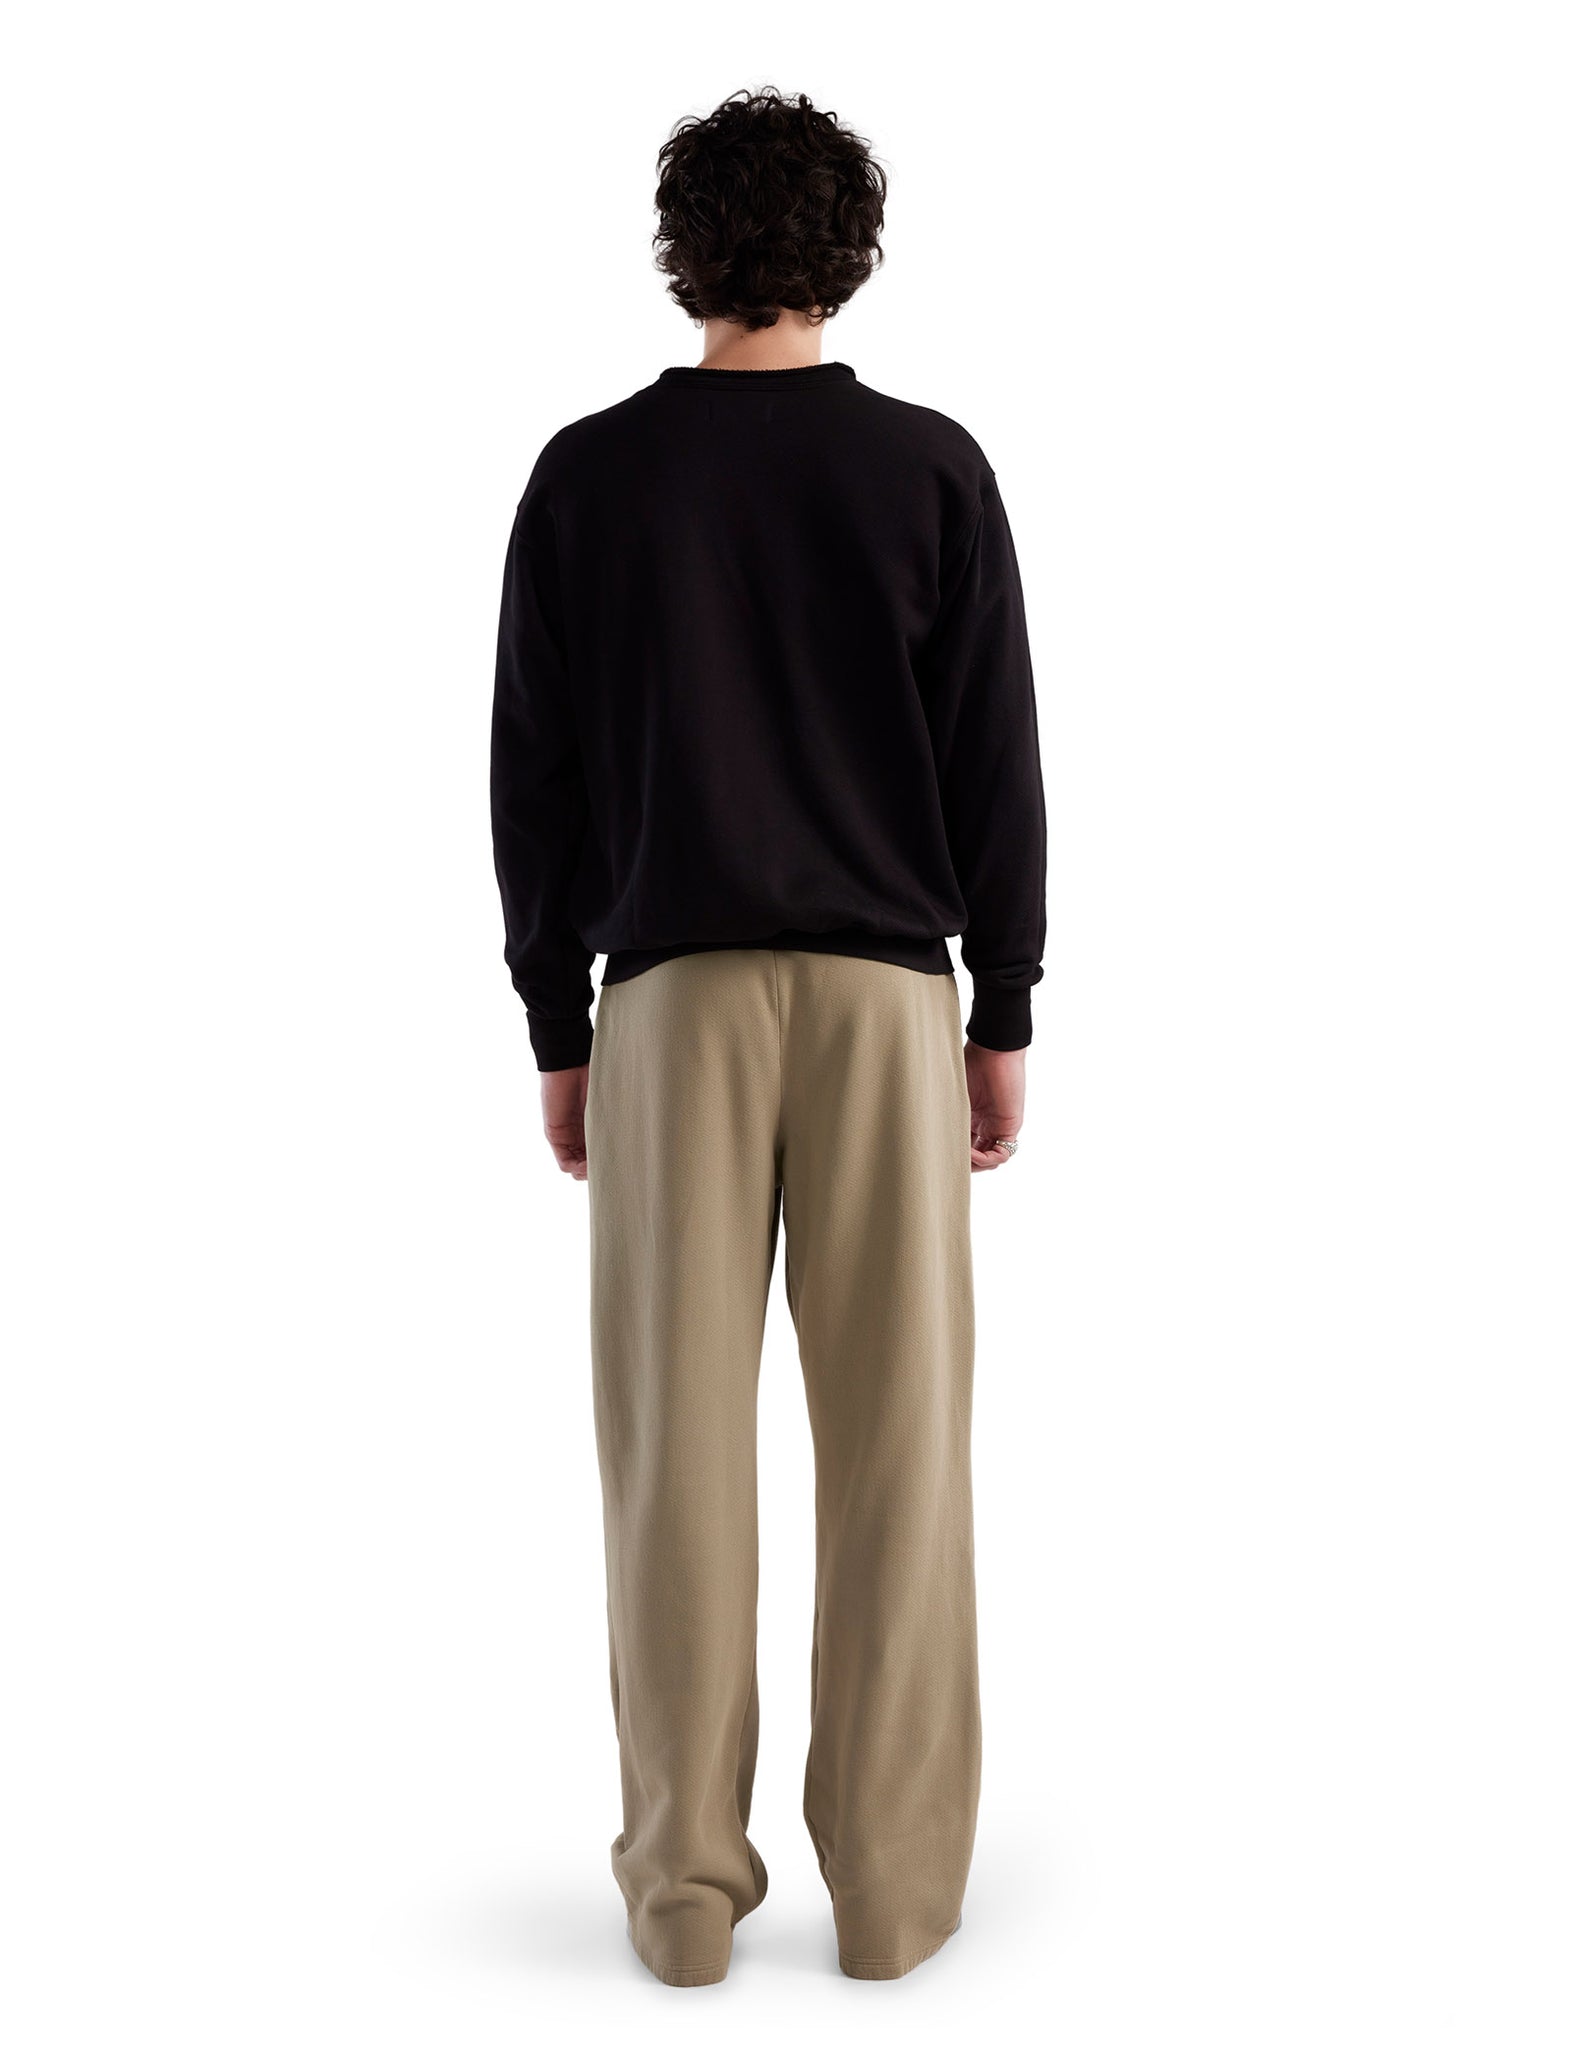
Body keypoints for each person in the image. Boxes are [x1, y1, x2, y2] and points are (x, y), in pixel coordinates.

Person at [490, 86, 1046, 1988]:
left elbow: (536, 776)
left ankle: (679, 1893)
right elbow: (994, 759)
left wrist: (557, 1021)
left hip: (669, 1002)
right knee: (903, 1452)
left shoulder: (591, 478)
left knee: (673, 1457)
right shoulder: (930, 470)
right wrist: (1004, 1005)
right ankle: (891, 1895)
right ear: (848, 254)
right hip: (890, 1002)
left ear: (683, 255)